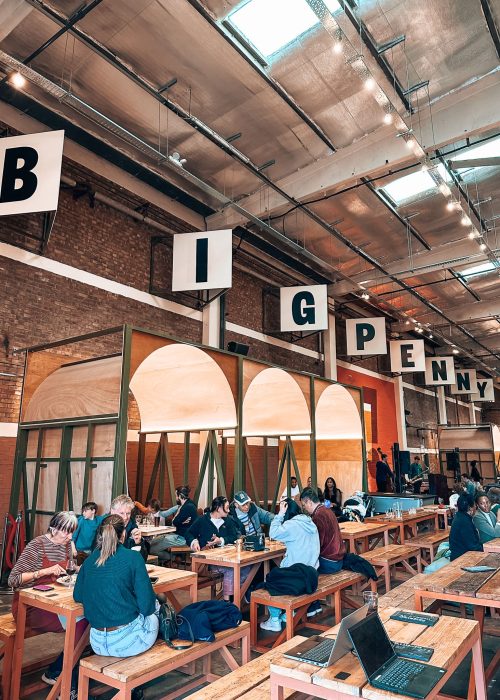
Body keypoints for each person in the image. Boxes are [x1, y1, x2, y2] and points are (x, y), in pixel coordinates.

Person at [74, 515, 157, 700]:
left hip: (97, 642)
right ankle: (142, 681)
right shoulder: (133, 558)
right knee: (156, 612)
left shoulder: (89, 561)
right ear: (123, 534)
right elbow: (147, 607)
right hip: (128, 642)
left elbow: (77, 596)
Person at [8, 512, 87, 697]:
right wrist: (43, 571)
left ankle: (58, 670)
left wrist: (80, 569)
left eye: (71, 533)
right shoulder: (37, 545)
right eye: (66, 533)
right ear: (53, 529)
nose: (70, 537)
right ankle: (65, 679)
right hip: (30, 606)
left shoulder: (66, 545)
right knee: (81, 623)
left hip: (55, 600)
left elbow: (69, 568)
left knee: (88, 619)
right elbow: (13, 580)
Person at [260, 498, 319, 632]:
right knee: (279, 571)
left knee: (270, 580)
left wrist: (280, 514)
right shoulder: (310, 523)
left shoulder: (292, 525)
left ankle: (274, 620)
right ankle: (289, 614)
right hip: (312, 574)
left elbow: (273, 533)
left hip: (298, 577)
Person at [186, 496, 252, 601]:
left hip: (226, 557)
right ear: (218, 508)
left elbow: (234, 536)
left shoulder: (228, 521)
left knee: (247, 567)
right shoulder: (202, 520)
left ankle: (238, 595)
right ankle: (228, 602)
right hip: (209, 563)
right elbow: (189, 533)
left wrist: (221, 540)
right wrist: (194, 542)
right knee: (231, 569)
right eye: (227, 507)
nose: (229, 510)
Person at [300, 487, 346, 617]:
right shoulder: (327, 510)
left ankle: (310, 606)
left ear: (309, 502)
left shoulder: (318, 517)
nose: (305, 509)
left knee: (302, 568)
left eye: (304, 505)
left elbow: (316, 546)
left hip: (329, 562)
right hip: (338, 559)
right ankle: (314, 605)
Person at [148, 486, 198, 561]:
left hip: (182, 538)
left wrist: (178, 521)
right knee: (151, 543)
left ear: (180, 496)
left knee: (152, 549)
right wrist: (180, 521)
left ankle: (174, 559)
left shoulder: (188, 507)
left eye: (176, 496)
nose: (175, 498)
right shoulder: (185, 505)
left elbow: (175, 522)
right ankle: (168, 562)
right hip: (176, 535)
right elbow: (176, 522)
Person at [104, 495, 148, 560]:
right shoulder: (104, 526)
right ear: (112, 512)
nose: (125, 517)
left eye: (128, 513)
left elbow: (142, 559)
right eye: (121, 513)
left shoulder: (133, 527)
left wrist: (138, 543)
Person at [449, 493, 483, 561]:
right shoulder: (464, 522)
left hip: (462, 554)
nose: (476, 507)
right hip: (461, 559)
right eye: (474, 505)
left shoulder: (460, 516)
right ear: (470, 508)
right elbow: (473, 547)